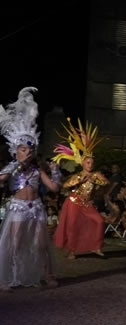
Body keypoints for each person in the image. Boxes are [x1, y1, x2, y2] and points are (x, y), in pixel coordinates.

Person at [0, 88, 62, 290]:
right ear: (16, 151)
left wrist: (55, 172)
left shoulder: (37, 170)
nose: (27, 153)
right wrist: (18, 165)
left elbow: (53, 188)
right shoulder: (11, 168)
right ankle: (10, 278)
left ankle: (46, 275)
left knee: (41, 244)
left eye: (30, 150)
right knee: (15, 243)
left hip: (36, 207)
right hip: (18, 207)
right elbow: (2, 179)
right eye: (23, 150)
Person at [53, 119, 108, 259]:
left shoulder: (96, 174)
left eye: (92, 163)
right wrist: (79, 180)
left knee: (99, 221)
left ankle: (96, 247)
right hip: (74, 201)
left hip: (87, 203)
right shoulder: (77, 175)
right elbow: (65, 185)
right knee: (72, 225)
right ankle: (72, 251)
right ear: (83, 163)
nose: (90, 165)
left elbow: (106, 183)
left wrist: (94, 179)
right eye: (88, 162)